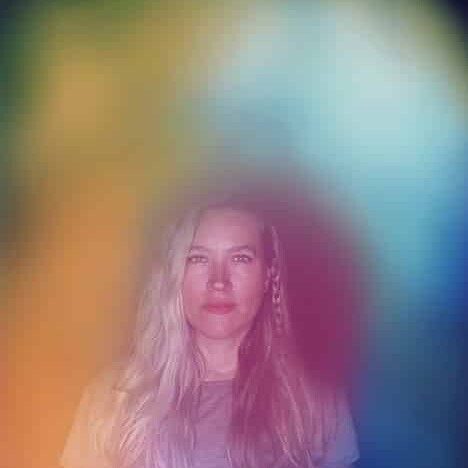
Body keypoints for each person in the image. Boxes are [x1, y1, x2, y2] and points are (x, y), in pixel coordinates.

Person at [61, 196, 359, 468]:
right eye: (197, 258)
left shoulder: (315, 400)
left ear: (268, 275)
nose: (219, 281)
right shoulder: (113, 397)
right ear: (174, 275)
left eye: (240, 258)